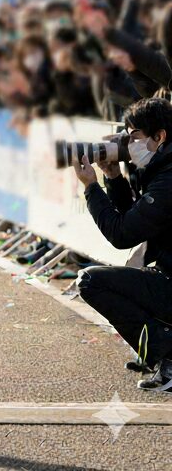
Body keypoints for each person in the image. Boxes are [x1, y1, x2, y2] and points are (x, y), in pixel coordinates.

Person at [73, 96, 172, 390]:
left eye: (134, 137)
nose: (128, 146)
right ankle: (163, 349)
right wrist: (113, 176)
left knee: (92, 281)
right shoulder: (161, 169)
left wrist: (91, 187)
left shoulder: (167, 180)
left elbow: (122, 235)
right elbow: (135, 221)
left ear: (160, 136)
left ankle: (167, 354)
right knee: (134, 277)